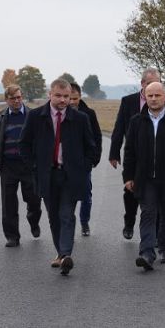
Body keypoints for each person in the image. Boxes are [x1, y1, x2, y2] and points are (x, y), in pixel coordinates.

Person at [19, 79, 97, 275]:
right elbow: (24, 144)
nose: (63, 100)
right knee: (54, 217)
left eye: (66, 97)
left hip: (71, 176)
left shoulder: (80, 119)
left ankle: (65, 254)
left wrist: (84, 167)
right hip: (46, 175)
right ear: (50, 95)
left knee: (66, 214)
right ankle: (62, 254)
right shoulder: (36, 117)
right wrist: (34, 166)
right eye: (58, 96)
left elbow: (91, 147)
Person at [123, 82, 165, 271]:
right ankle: (146, 253)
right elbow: (129, 151)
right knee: (148, 213)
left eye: (157, 95)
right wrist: (128, 176)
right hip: (145, 178)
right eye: (150, 96)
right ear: (145, 97)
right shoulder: (137, 121)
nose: (153, 99)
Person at [109, 67, 165, 240]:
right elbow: (119, 127)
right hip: (135, 154)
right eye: (150, 83)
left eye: (157, 83)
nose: (153, 89)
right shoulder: (128, 101)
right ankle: (129, 222)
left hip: (159, 156)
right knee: (131, 190)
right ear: (142, 84)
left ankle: (155, 233)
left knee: (157, 195)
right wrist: (114, 152)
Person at [0, 84, 41, 247]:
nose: (17, 101)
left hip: (29, 166)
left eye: (19, 97)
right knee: (8, 203)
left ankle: (33, 220)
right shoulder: (1, 119)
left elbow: (41, 141)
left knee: (34, 200)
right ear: (6, 100)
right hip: (8, 166)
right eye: (13, 98)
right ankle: (12, 237)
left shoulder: (32, 116)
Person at [69, 82, 102, 237]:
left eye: (75, 98)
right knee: (67, 197)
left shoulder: (89, 114)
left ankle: (84, 222)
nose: (72, 102)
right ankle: (69, 224)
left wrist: (94, 159)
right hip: (65, 163)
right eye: (69, 98)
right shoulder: (58, 114)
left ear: (80, 97)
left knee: (86, 195)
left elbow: (97, 137)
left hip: (83, 162)